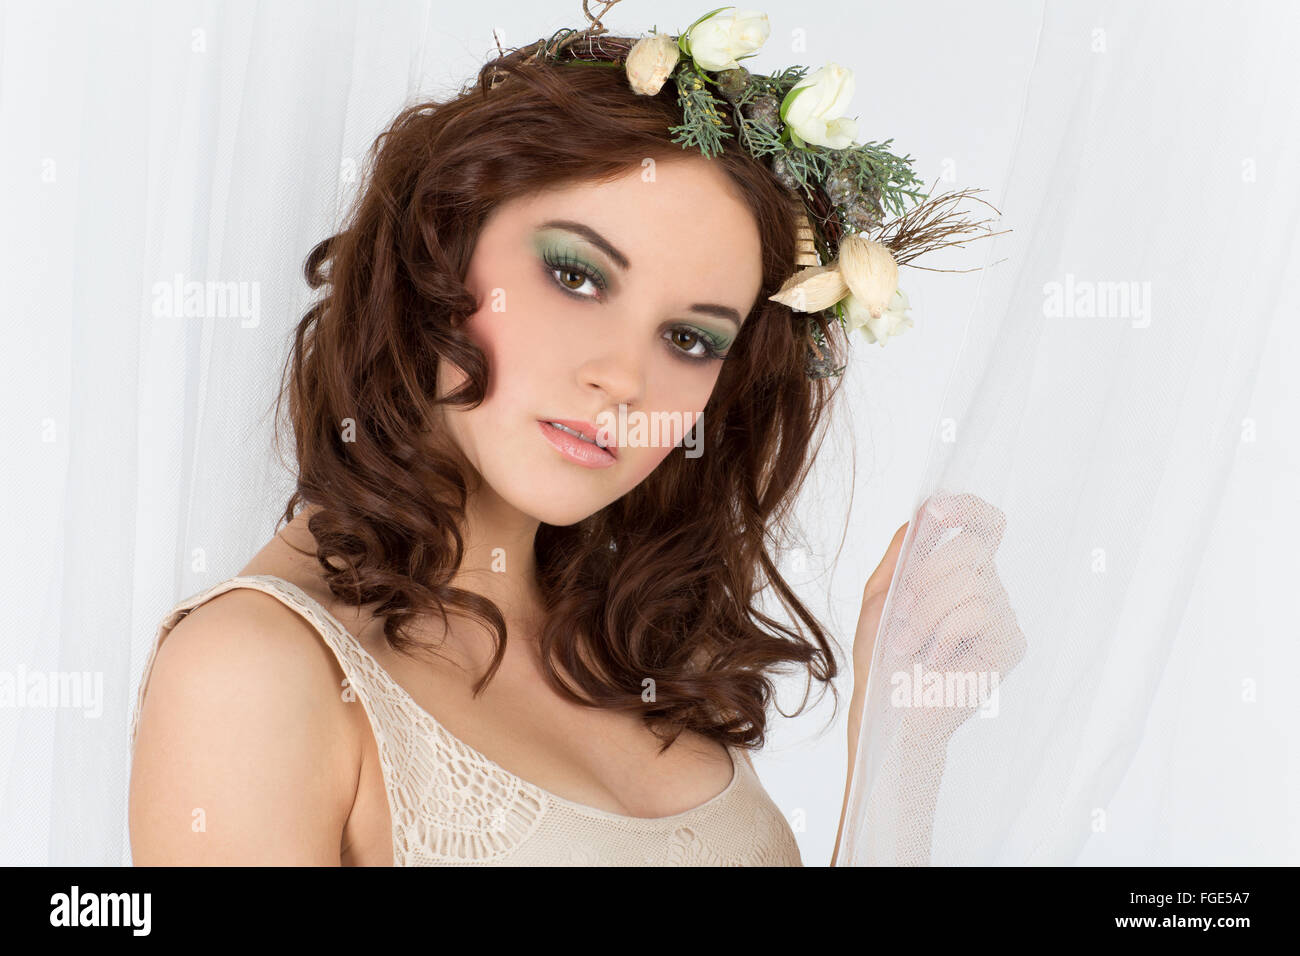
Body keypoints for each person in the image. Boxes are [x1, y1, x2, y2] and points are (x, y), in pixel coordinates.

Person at [128, 5, 1009, 866]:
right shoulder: (255, 675)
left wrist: (905, 743)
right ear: (440, 247)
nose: (623, 379)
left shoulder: (636, 649)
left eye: (690, 339)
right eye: (576, 276)